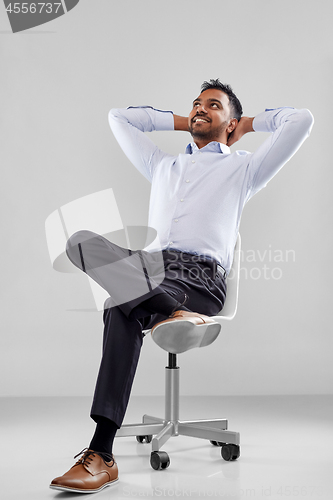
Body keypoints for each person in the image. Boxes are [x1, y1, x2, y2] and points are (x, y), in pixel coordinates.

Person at [50, 79, 314, 493]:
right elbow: (118, 118)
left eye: (214, 105)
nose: (200, 108)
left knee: (120, 305)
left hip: (198, 278)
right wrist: (187, 121)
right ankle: (168, 309)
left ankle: (100, 453)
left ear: (232, 121)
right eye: (196, 103)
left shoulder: (243, 168)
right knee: (78, 241)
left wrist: (245, 125)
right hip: (151, 269)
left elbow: (302, 120)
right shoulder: (163, 165)